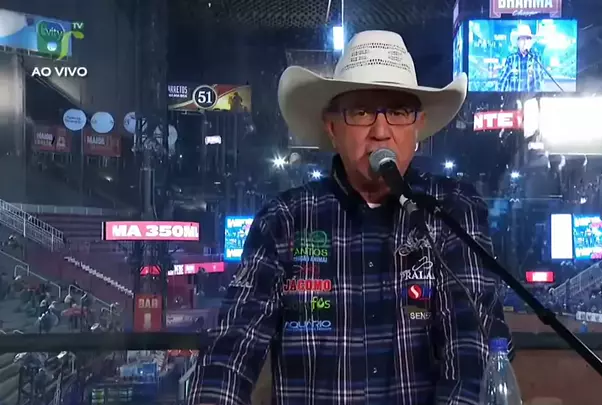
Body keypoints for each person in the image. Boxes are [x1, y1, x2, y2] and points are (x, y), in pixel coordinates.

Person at [189, 30, 513, 405]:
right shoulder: (285, 220)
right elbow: (231, 350)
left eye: (398, 112)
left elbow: (472, 351)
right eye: (361, 112)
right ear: (332, 128)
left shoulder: (451, 210)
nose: (381, 132)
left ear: (417, 127)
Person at [497, 24, 546, 92]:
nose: (525, 42)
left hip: (532, 98)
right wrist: (500, 96)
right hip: (514, 98)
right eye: (522, 39)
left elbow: (540, 82)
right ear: (517, 42)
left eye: (528, 39)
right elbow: (502, 81)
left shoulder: (537, 58)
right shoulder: (511, 59)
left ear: (531, 42)